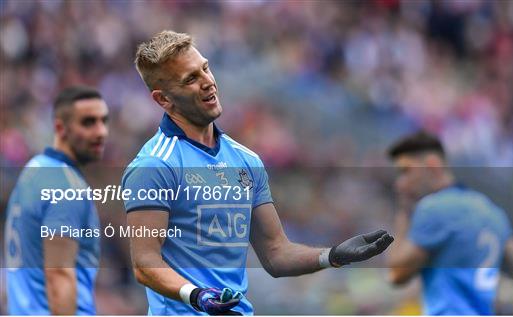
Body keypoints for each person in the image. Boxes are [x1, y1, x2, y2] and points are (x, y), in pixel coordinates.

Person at [121, 30, 394, 315]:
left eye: (205, 68)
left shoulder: (245, 160)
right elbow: (145, 264)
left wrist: (332, 255)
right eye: (190, 79)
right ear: (164, 100)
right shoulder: (154, 166)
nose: (208, 82)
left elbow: (276, 253)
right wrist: (197, 296)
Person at [386, 131, 513, 315]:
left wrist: (404, 213)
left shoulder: (434, 208)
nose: (400, 184)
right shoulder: (492, 211)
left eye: (405, 171)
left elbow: (397, 275)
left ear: (432, 165)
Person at [4, 86, 109, 315]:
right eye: (88, 122)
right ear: (60, 128)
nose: (101, 131)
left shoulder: (35, 168)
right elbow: (59, 275)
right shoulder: (65, 187)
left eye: (104, 120)